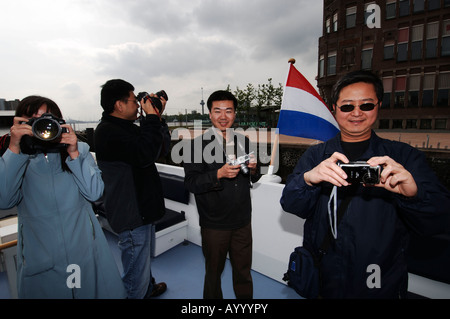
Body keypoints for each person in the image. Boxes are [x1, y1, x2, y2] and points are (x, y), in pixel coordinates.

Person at [280, 70, 450, 299]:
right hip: (324, 273)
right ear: (334, 109)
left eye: (366, 105)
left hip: (380, 277)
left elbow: (438, 220)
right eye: (347, 106)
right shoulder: (316, 156)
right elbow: (291, 204)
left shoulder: (404, 158)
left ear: (379, 105)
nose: (357, 113)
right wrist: (308, 179)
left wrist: (414, 195)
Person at [0, 95, 126, 299]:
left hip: (84, 248)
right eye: (33, 120)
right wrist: (15, 149)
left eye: (47, 119)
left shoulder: (79, 150)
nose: (42, 126)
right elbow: (4, 200)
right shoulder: (16, 159)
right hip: (41, 256)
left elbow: (94, 193)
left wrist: (74, 153)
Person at [94, 79, 170, 299]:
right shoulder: (108, 132)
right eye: (133, 100)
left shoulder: (124, 128)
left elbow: (159, 149)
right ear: (119, 105)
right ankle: (138, 292)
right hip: (131, 212)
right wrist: (152, 119)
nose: (138, 104)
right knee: (135, 267)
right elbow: (144, 154)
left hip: (140, 207)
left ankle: (146, 288)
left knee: (141, 258)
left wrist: (157, 117)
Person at [183, 90, 259, 299]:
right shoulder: (195, 146)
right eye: (217, 111)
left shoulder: (244, 140)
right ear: (209, 114)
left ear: (235, 114)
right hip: (214, 223)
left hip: (243, 220)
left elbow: (254, 175)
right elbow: (191, 182)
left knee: (244, 272)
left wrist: (253, 169)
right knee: (213, 274)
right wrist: (218, 174)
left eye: (229, 111)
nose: (223, 116)